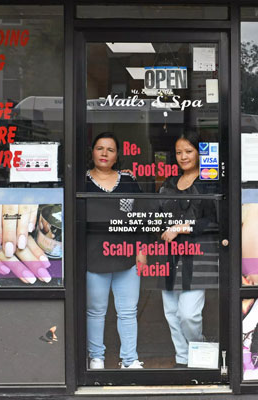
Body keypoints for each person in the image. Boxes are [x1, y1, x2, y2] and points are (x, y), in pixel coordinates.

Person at [156, 131, 216, 367]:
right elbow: (158, 217)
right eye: (179, 152)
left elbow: (215, 221)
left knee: (189, 314)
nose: (183, 157)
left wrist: (182, 227)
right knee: (171, 313)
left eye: (189, 151)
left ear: (200, 153)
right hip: (169, 255)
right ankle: (183, 359)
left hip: (198, 256)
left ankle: (199, 349)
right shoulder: (168, 184)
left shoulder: (209, 183)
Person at [85, 132, 144, 370]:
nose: (104, 153)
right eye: (100, 148)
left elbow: (141, 217)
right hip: (92, 256)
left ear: (117, 155)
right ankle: (96, 357)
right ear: (92, 152)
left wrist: (142, 251)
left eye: (110, 149)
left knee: (128, 312)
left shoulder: (128, 181)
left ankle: (130, 360)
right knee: (96, 311)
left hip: (126, 257)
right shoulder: (82, 181)